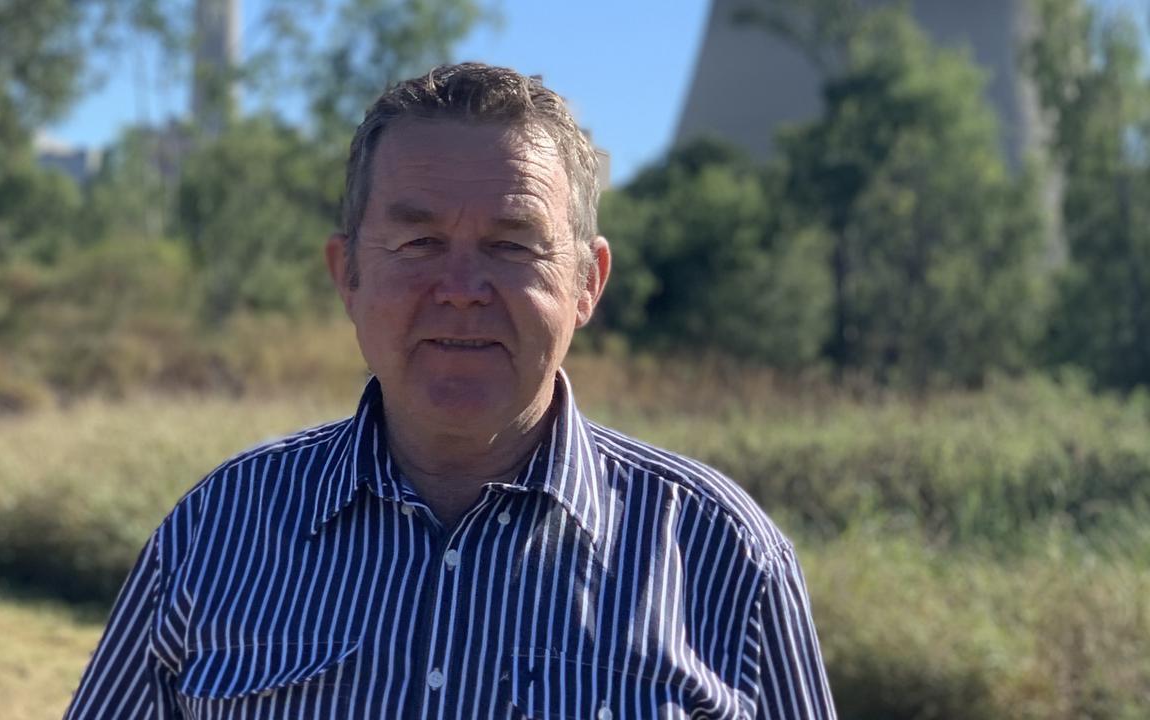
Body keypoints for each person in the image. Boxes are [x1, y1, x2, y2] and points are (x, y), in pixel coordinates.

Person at [65, 62, 835, 720]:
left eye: (511, 245)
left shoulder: (724, 557)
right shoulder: (217, 532)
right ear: (348, 275)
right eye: (419, 241)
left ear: (586, 283)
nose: (462, 289)